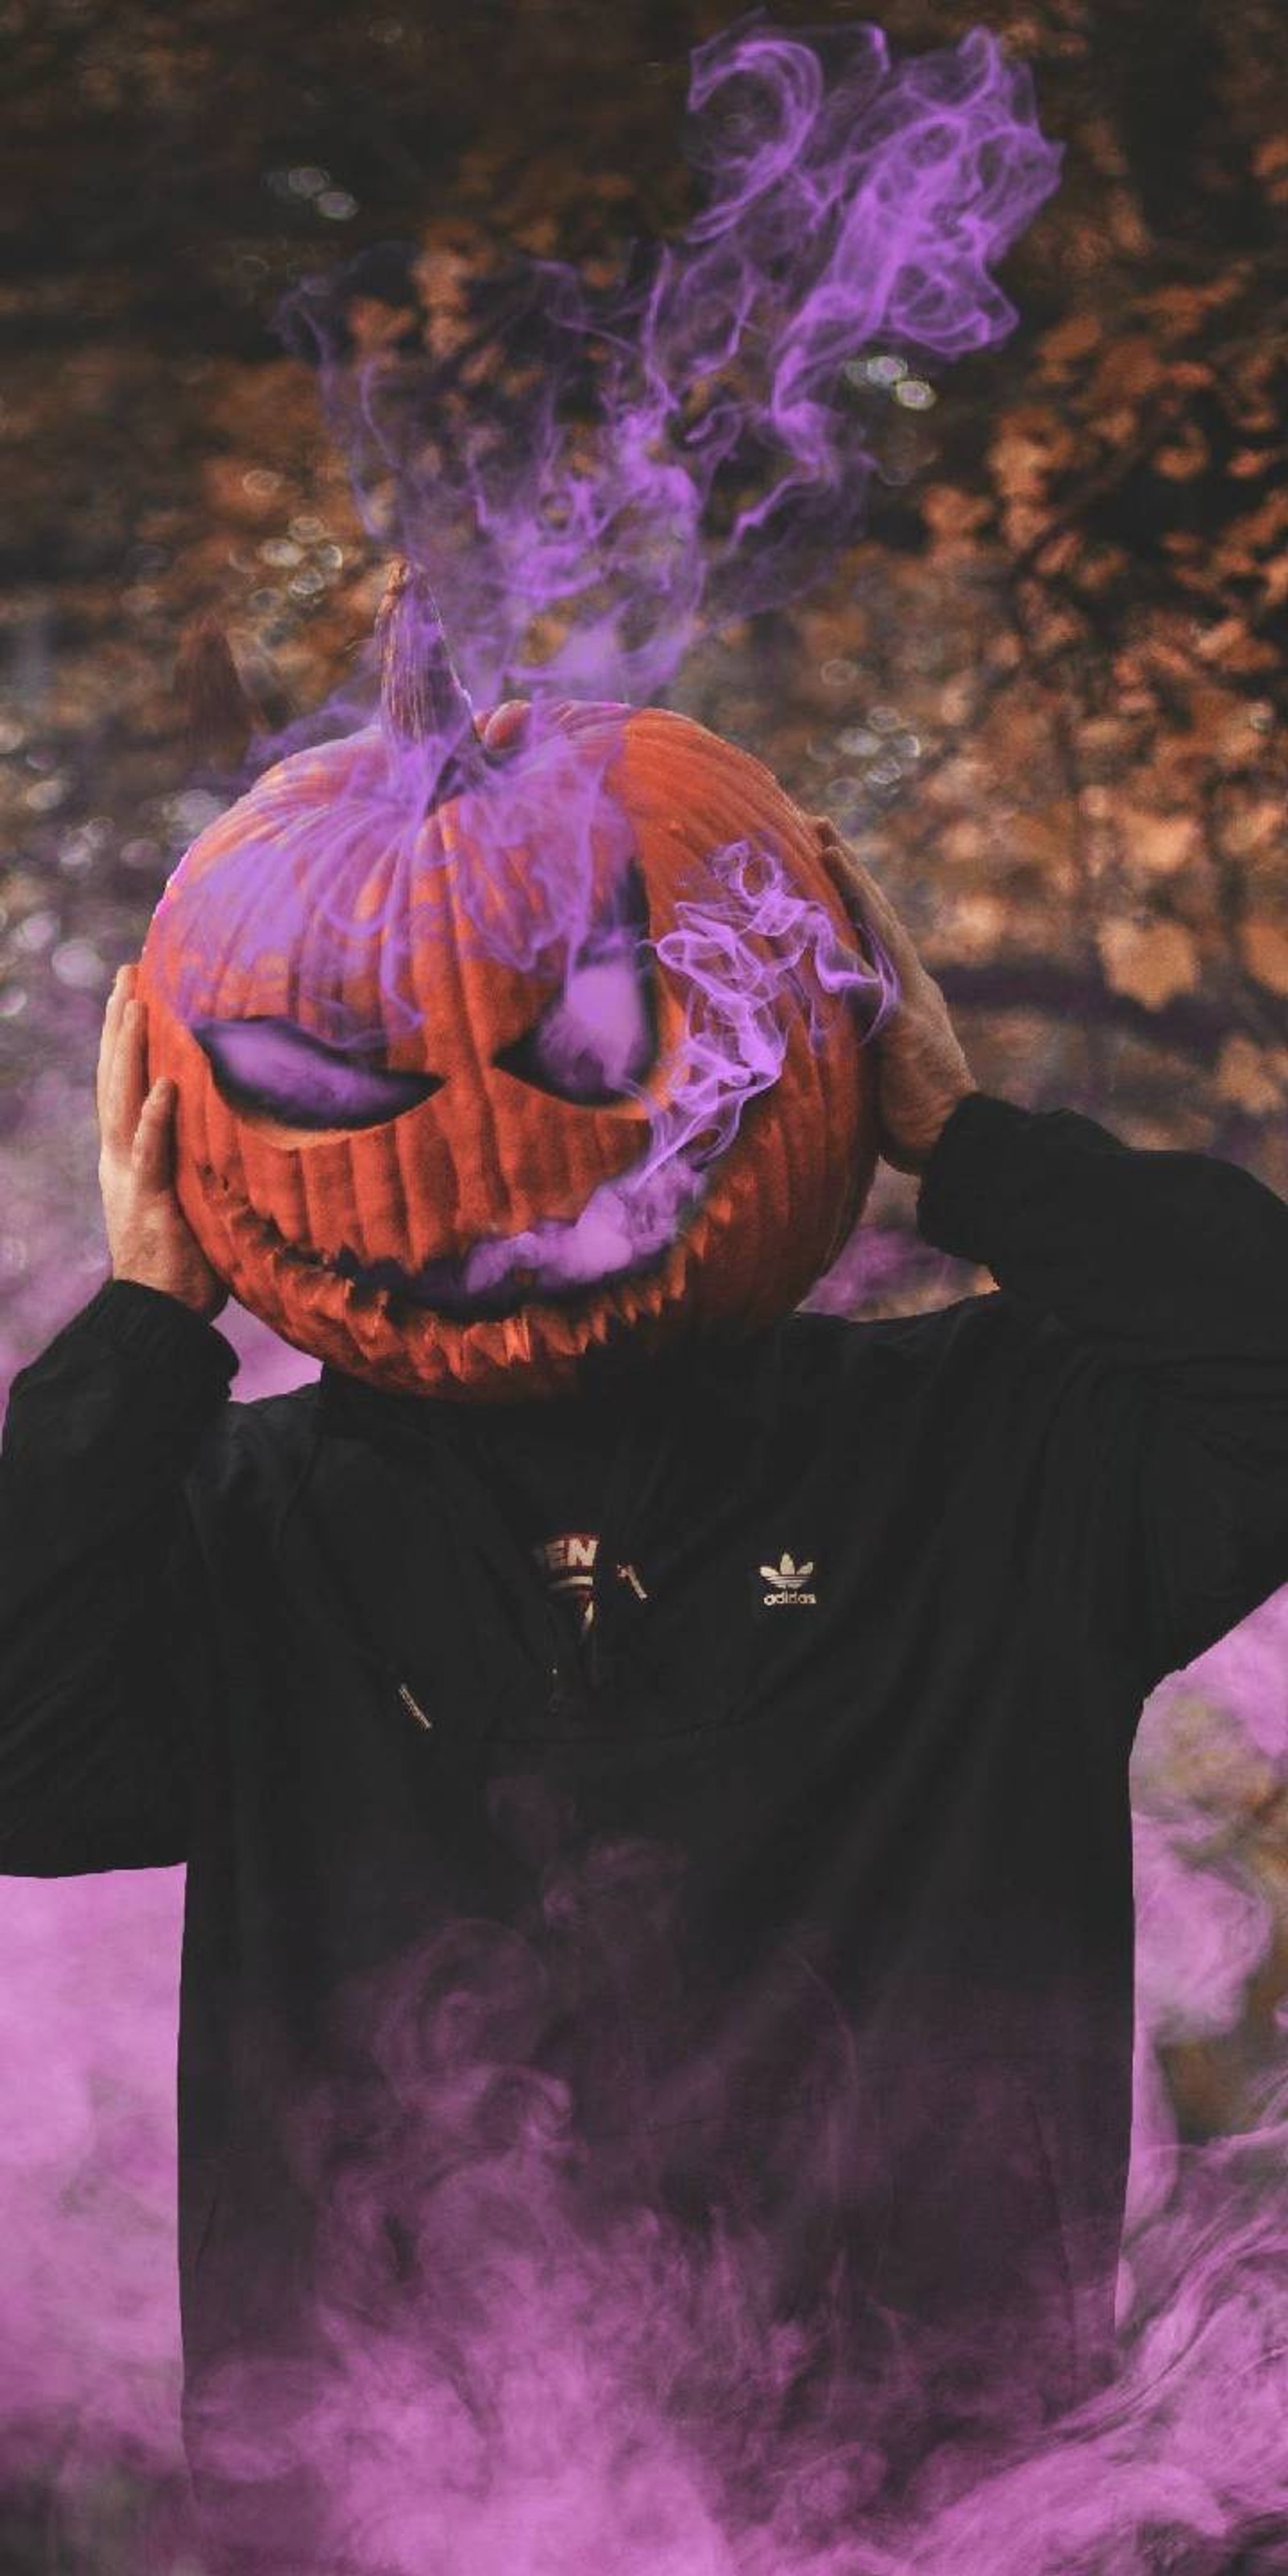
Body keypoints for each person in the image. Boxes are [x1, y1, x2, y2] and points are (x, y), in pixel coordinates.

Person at [3, 831, 1287, 2569]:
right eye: (328, 1077)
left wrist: (966, 1145)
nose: (476, 1130)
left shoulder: (990, 1457)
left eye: (593, 1046)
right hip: (388, 2519)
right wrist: (149, 1318)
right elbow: (20, 1759)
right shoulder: (243, 1535)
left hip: (940, 2513)